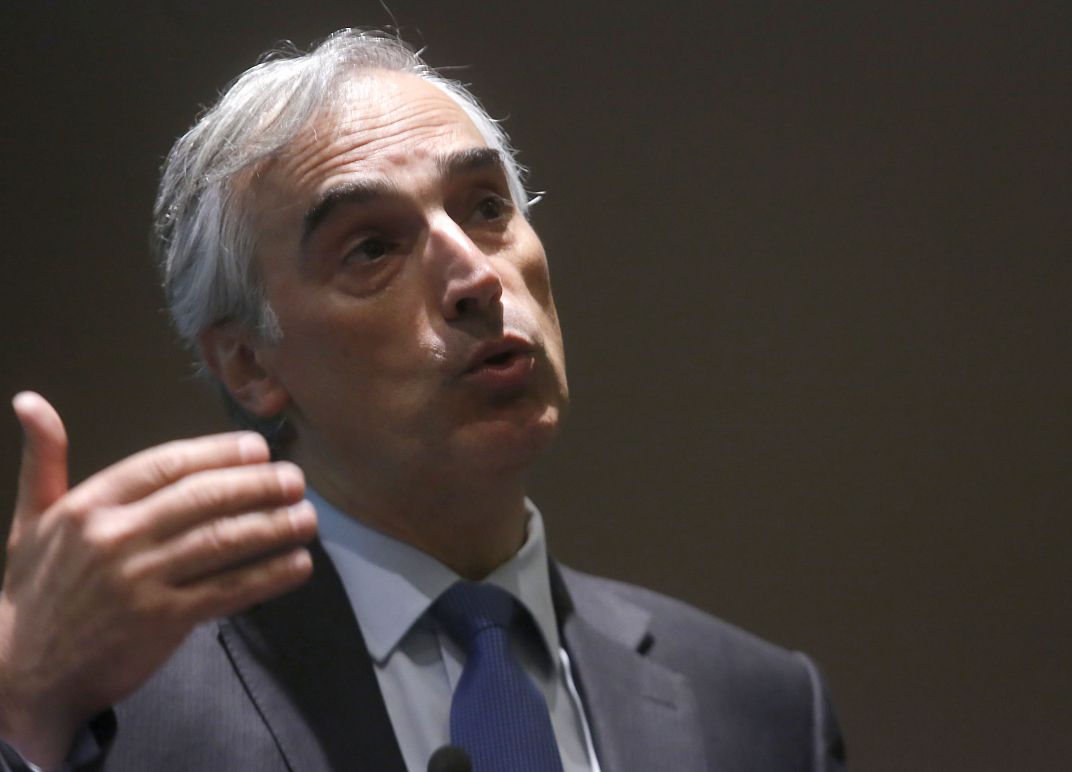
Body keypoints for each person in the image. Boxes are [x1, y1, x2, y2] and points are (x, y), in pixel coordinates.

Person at [0, 29, 845, 771]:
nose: (476, 276)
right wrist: (27, 714)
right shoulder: (110, 706)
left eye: (488, 207)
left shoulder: (760, 707)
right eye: (372, 248)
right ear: (250, 362)